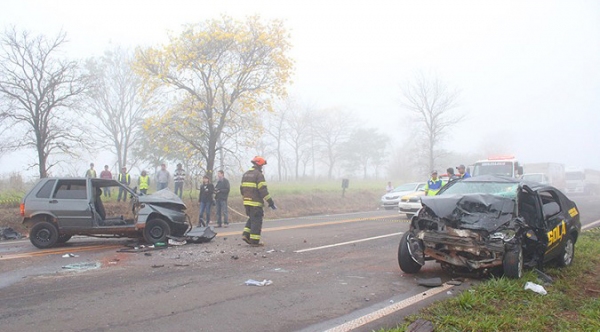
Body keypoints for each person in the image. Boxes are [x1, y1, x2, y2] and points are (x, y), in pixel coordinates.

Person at [240, 156, 276, 246]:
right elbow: (263, 190)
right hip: (255, 203)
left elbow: (241, 189)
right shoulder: (259, 175)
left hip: (246, 202)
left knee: (252, 218)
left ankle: (246, 235)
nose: (262, 167)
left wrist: (246, 198)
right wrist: (270, 202)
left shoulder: (246, 174)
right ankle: (254, 242)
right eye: (262, 165)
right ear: (259, 165)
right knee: (257, 221)